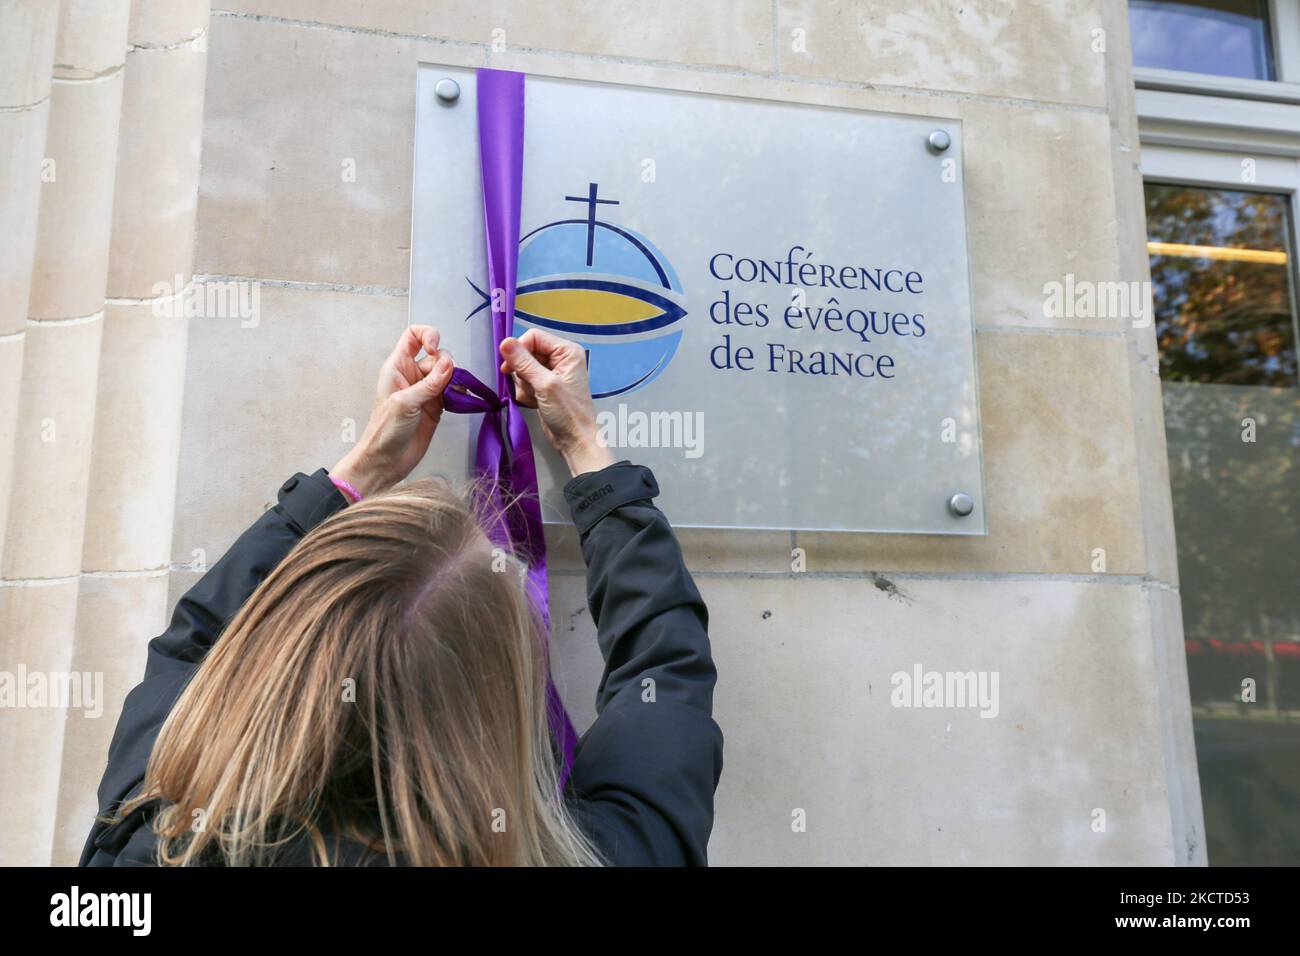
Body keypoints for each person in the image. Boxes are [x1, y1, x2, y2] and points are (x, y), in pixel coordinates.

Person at [80, 326, 723, 866]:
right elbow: (665, 681)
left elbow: (196, 645)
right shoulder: (606, 852)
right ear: (503, 689)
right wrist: (588, 452)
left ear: (278, 647)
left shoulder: (156, 815)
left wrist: (360, 469)